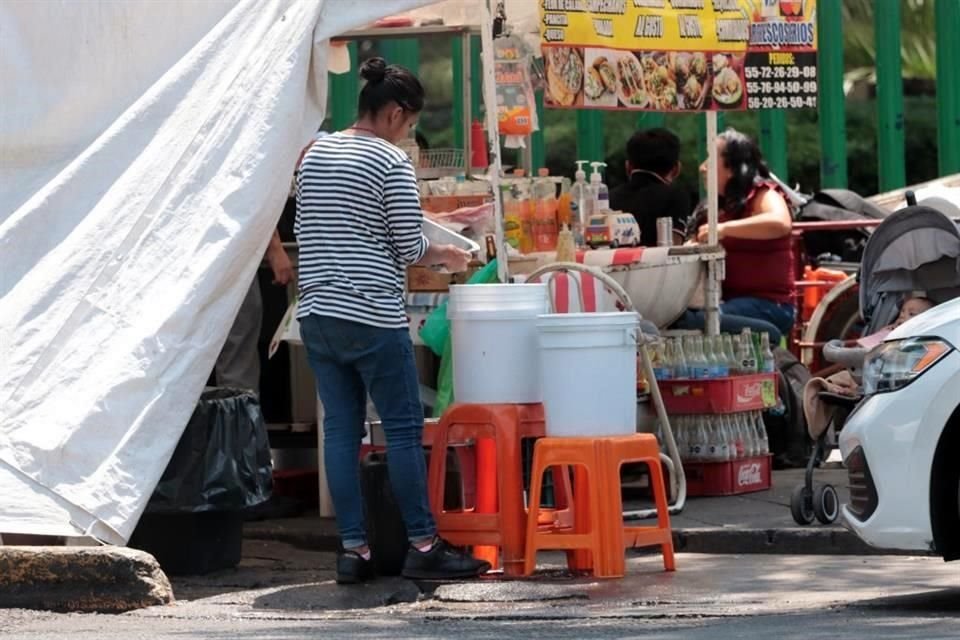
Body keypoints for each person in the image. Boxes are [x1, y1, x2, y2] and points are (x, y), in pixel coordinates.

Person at [295, 57, 488, 585]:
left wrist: (437, 227)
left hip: (317, 313)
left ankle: (353, 551)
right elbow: (407, 244)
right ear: (396, 113)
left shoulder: (315, 153)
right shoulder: (389, 161)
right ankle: (424, 544)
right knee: (402, 433)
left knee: (341, 430)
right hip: (372, 316)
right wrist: (447, 255)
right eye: (410, 124)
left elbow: (349, 223)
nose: (408, 134)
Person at [676, 129, 796, 344]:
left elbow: (780, 222)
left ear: (731, 168)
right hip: (725, 301)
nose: (703, 167)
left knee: (695, 321)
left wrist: (724, 229)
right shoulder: (715, 207)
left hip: (769, 305)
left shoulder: (762, 193)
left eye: (711, 159)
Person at [214, 229, 293, 394]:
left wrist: (274, 246)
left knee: (237, 348)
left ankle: (239, 415)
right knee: (238, 353)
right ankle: (240, 415)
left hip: (223, 248)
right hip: (227, 249)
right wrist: (274, 247)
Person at [610, 128, 692, 247]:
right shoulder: (676, 197)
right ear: (676, 169)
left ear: (627, 167)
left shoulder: (608, 198)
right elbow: (674, 250)